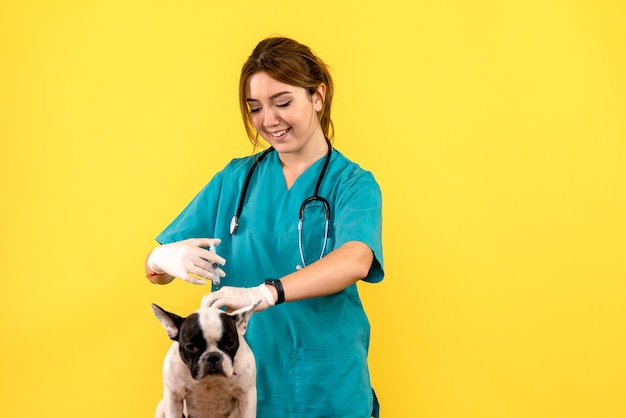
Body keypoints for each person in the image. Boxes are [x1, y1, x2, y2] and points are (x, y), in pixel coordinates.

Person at [144, 36, 384, 418]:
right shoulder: (234, 181)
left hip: (326, 388)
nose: (268, 120)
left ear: (318, 96)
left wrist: (266, 292)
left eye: (283, 102)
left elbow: (355, 259)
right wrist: (163, 257)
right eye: (255, 108)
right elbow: (154, 274)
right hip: (235, 393)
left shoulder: (352, 184)